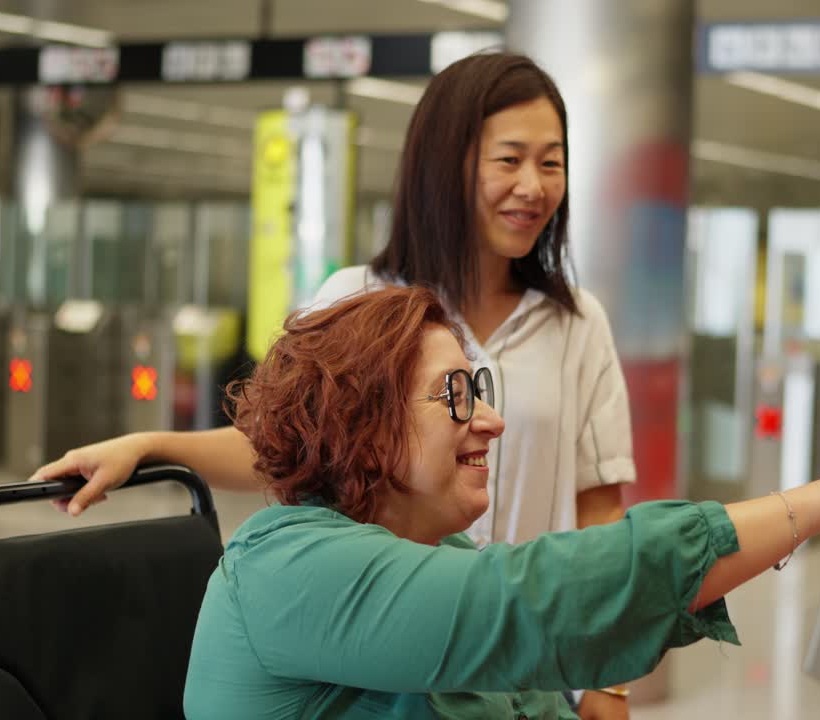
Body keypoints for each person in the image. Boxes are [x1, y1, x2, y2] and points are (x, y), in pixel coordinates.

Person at [33, 52, 641, 716]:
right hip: (387, 664)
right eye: (509, 159)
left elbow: (600, 519)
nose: (533, 186)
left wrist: (608, 680)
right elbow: (286, 446)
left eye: (551, 163)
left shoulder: (577, 325)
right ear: (445, 164)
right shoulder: (358, 299)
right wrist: (151, 446)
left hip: (521, 668)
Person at [182, 286, 820, 720]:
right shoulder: (289, 568)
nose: (490, 420)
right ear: (364, 427)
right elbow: (536, 603)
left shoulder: (431, 546)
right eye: (454, 395)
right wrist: (818, 507)